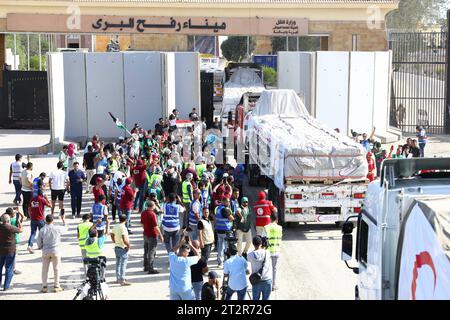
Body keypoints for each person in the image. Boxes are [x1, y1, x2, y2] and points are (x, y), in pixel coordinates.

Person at [37, 214, 68, 293]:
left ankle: (44, 286)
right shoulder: (57, 228)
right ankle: (56, 286)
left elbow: (39, 242)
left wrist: (41, 247)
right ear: (52, 220)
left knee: (44, 269)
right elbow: (66, 228)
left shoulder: (42, 229)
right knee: (56, 269)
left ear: (45, 220)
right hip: (55, 250)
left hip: (46, 251)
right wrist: (64, 220)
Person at [168, 231, 200, 300]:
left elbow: (171, 250)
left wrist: (179, 244)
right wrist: (191, 245)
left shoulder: (172, 258)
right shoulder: (186, 261)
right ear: (184, 252)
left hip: (173, 289)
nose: (188, 254)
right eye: (188, 253)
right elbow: (198, 256)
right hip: (185, 289)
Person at [0, 213, 22, 291]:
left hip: (1, 250)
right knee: (9, 268)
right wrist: (19, 222)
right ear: (8, 220)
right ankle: (6, 286)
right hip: (10, 250)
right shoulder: (11, 227)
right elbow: (20, 230)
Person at [141, 200, 164, 274]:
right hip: (152, 235)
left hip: (145, 234)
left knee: (146, 251)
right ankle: (151, 268)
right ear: (152, 206)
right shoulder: (152, 214)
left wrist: (145, 229)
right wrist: (160, 235)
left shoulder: (143, 213)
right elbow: (156, 227)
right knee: (151, 252)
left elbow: (142, 224)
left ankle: (145, 266)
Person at [248, 236, 273, 300]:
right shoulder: (267, 252)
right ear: (261, 243)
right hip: (267, 279)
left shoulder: (250, 255)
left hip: (256, 280)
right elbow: (264, 250)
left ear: (253, 244)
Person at [28, 189, 51, 254]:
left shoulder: (32, 199)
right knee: (43, 233)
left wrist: (30, 216)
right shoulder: (42, 199)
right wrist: (47, 198)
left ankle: (30, 245)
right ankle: (43, 245)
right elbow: (50, 206)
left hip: (33, 219)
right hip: (40, 219)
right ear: (42, 194)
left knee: (33, 233)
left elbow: (29, 208)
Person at [111, 215, 131, 286]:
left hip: (117, 246)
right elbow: (124, 238)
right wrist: (128, 246)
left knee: (118, 263)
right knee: (123, 264)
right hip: (123, 247)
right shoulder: (123, 227)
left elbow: (112, 234)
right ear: (125, 220)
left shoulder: (116, 226)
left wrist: (114, 241)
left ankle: (118, 278)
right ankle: (122, 280)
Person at [264, 213, 283, 291]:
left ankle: (266, 285)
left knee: (266, 268)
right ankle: (274, 285)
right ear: (277, 219)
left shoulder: (266, 227)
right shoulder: (280, 228)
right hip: (276, 251)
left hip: (268, 251)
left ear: (270, 219)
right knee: (274, 268)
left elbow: (263, 239)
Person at [215, 197, 235, 267]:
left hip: (219, 230)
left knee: (220, 246)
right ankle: (226, 262)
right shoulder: (224, 209)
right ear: (223, 201)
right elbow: (231, 218)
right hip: (225, 231)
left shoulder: (218, 208)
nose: (229, 203)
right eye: (227, 201)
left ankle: (220, 262)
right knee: (226, 247)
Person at [6, 208, 24, 275]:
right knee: (14, 256)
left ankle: (7, 269)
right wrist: (18, 212)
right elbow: (21, 229)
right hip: (15, 240)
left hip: (6, 240)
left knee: (6, 255)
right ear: (12, 214)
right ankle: (13, 269)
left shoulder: (4, 221)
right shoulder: (15, 219)